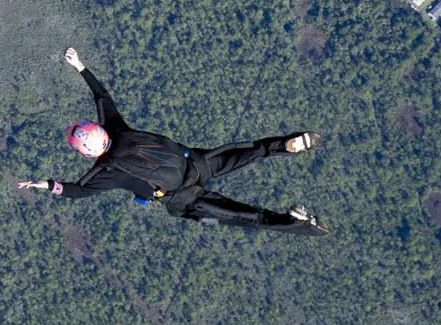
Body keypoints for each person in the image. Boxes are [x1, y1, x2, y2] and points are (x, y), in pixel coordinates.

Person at [19, 47, 326, 232]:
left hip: (183, 200)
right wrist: (80, 66)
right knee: (249, 151)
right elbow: (101, 95)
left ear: (86, 154)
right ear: (99, 131)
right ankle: (285, 144)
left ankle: (294, 222)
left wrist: (45, 184)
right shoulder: (116, 128)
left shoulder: (106, 171)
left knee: (240, 218)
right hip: (195, 162)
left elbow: (76, 191)